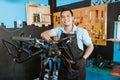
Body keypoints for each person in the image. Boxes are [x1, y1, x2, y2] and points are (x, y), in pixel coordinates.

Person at [40, 8, 94, 80]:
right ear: (61, 19)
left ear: (72, 18)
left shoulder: (82, 32)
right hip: (64, 67)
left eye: (68, 16)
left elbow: (90, 46)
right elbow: (43, 34)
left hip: (77, 67)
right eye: (63, 17)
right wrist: (52, 43)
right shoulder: (59, 30)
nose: (65, 19)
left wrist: (83, 59)